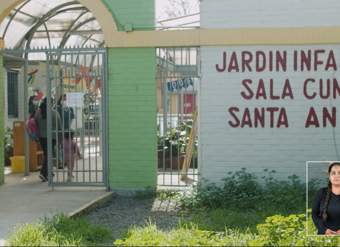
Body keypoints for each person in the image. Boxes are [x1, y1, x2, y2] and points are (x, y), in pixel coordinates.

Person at [34, 98, 62, 182]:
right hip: (52, 137)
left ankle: (49, 173)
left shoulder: (38, 113)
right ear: (51, 103)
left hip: (41, 137)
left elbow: (35, 124)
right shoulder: (54, 113)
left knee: (47, 154)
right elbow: (59, 127)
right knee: (48, 155)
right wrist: (60, 138)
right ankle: (43, 173)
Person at [312, 162, 340, 235]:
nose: (337, 176)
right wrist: (324, 230)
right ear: (329, 176)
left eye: (339, 173)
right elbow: (314, 214)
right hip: (324, 237)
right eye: (333, 173)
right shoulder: (321, 192)